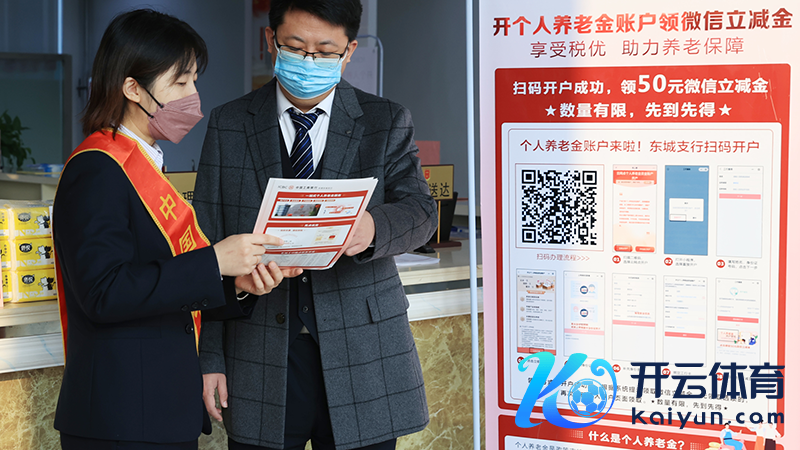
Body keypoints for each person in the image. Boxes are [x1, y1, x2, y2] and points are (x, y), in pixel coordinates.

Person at [193, 0, 438, 448]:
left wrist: (372, 229)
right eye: (295, 47)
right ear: (271, 41)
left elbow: (422, 212)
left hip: (364, 353)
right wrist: (209, 356)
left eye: (325, 52)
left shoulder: (384, 121)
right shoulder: (229, 124)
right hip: (258, 353)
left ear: (349, 51)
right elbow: (205, 244)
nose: (309, 62)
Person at [53, 9, 299, 450]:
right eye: (181, 82)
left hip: (159, 414)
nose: (193, 97)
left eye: (194, 81)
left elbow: (162, 284)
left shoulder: (145, 163)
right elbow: (104, 293)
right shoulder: (97, 169)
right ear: (133, 88)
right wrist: (213, 261)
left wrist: (234, 285)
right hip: (121, 421)